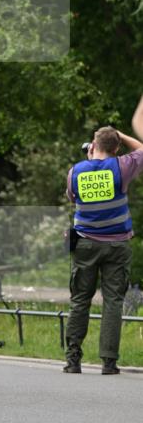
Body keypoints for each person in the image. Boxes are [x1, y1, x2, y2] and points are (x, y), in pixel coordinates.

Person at [64, 125, 143, 374]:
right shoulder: (122, 166)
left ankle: (73, 359)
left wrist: (91, 162)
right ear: (116, 147)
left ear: (93, 145)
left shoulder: (75, 171)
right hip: (117, 245)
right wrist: (121, 135)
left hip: (85, 243)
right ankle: (109, 362)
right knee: (113, 302)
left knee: (79, 300)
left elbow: (72, 198)